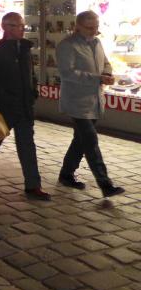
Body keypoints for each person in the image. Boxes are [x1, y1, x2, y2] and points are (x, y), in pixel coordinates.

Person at [0, 12, 50, 200]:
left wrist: (32, 92)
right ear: (6, 27)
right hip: (5, 106)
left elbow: (30, 74)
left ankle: (33, 185)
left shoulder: (25, 49)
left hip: (24, 105)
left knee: (27, 146)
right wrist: (3, 97)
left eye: (23, 25)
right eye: (17, 26)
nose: (22, 29)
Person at [57, 11, 124, 197]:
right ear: (77, 26)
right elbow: (67, 73)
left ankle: (66, 174)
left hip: (94, 100)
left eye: (96, 27)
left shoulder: (96, 42)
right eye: (89, 28)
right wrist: (97, 78)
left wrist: (107, 74)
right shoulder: (67, 45)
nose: (94, 31)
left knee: (80, 141)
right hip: (76, 102)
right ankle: (105, 184)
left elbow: (106, 63)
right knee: (90, 141)